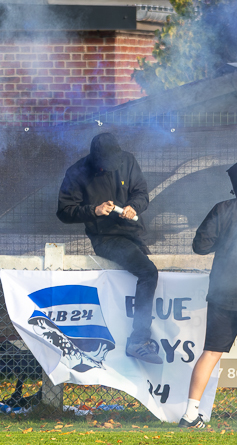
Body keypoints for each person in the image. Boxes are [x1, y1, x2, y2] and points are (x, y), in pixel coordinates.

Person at [57, 132, 161, 364]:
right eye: (104, 165)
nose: (108, 168)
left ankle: (132, 343)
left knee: (147, 275)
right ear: (95, 158)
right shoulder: (77, 172)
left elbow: (141, 193)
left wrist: (134, 207)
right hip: (105, 238)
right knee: (148, 272)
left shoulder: (128, 160)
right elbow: (64, 211)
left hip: (133, 234)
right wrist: (94, 210)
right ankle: (138, 340)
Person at [179, 158, 237, 428]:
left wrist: (228, 238)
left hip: (223, 295)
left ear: (235, 183)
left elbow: (200, 246)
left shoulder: (222, 208)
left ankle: (190, 415)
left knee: (211, 353)